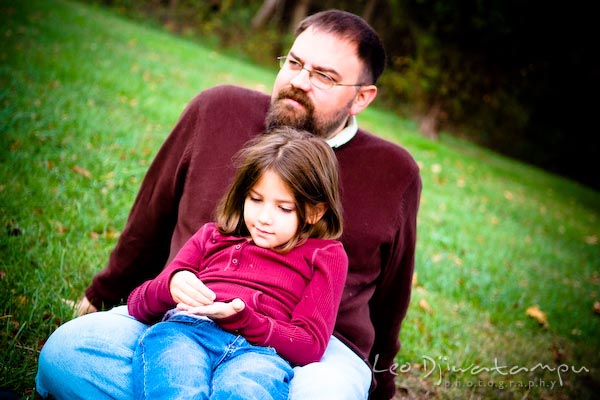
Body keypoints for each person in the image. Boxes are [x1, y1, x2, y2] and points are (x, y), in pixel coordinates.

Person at [36, 9, 422, 400]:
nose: (298, 81)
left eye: (323, 76)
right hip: (189, 316)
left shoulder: (393, 172)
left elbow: (392, 297)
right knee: (66, 356)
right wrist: (103, 296)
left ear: (361, 97)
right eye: (293, 63)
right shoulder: (218, 109)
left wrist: (382, 382)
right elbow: (151, 216)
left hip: (317, 347)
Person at [128, 128, 347, 399]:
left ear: (315, 211)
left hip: (260, 353)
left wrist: (243, 319)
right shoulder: (212, 236)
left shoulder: (325, 254)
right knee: (174, 384)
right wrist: (170, 286)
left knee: (245, 391)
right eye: (256, 199)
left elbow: (310, 344)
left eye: (284, 208)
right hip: (186, 331)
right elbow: (137, 305)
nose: (265, 217)